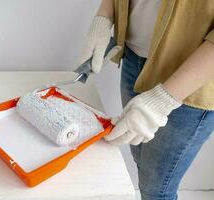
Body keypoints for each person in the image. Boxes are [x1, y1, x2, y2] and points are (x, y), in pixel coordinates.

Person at [79, 0, 214, 199]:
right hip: (133, 57)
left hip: (189, 80)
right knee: (142, 163)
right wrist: (104, 16)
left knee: (157, 189)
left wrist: (164, 99)